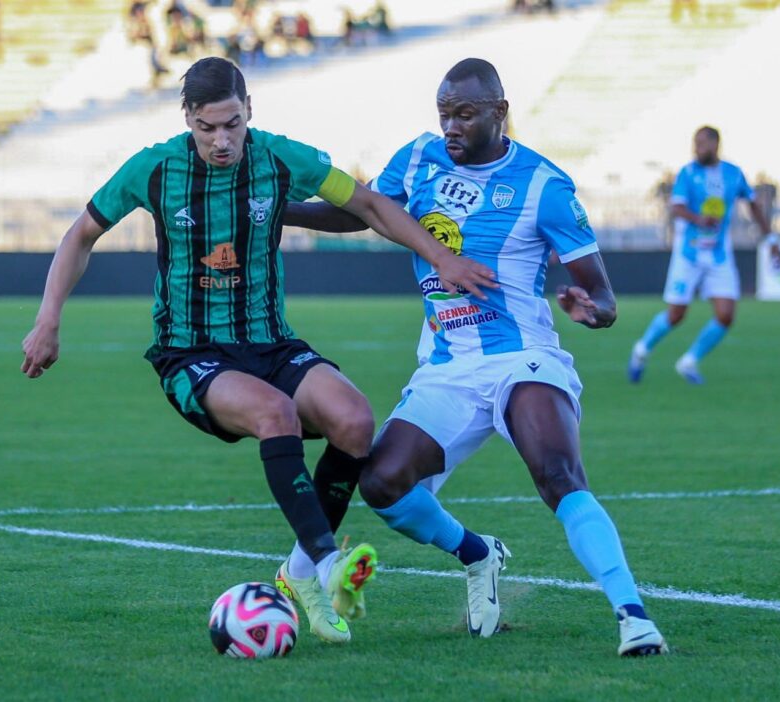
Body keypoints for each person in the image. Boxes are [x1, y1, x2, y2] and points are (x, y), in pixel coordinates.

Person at [19, 57, 497, 645]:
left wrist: (442, 257)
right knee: (278, 415)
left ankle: (300, 574)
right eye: (207, 127)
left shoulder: (280, 157)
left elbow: (369, 206)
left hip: (270, 340)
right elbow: (81, 235)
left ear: (250, 114)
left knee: (354, 420)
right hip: (191, 353)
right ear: (188, 120)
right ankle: (325, 567)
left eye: (233, 124)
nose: (222, 140)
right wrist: (48, 321)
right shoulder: (153, 169)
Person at [284, 58, 668, 656]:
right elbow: (358, 212)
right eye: (444, 115)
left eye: (464, 114)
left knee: (558, 475)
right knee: (382, 483)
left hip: (523, 359)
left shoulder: (546, 187)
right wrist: (277, 210)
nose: (452, 127)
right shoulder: (418, 158)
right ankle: (478, 554)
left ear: (499, 112)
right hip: (447, 367)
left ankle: (633, 616)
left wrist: (589, 308)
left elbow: (604, 294)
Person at [628, 126, 780, 385]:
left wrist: (772, 239)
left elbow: (753, 205)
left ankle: (689, 361)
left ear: (715, 144)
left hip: (719, 256)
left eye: (701, 143)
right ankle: (642, 350)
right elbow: (676, 207)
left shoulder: (733, 174)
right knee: (676, 314)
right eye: (694, 143)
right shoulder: (688, 173)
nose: (696, 148)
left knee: (726, 315)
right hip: (688, 255)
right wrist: (698, 218)